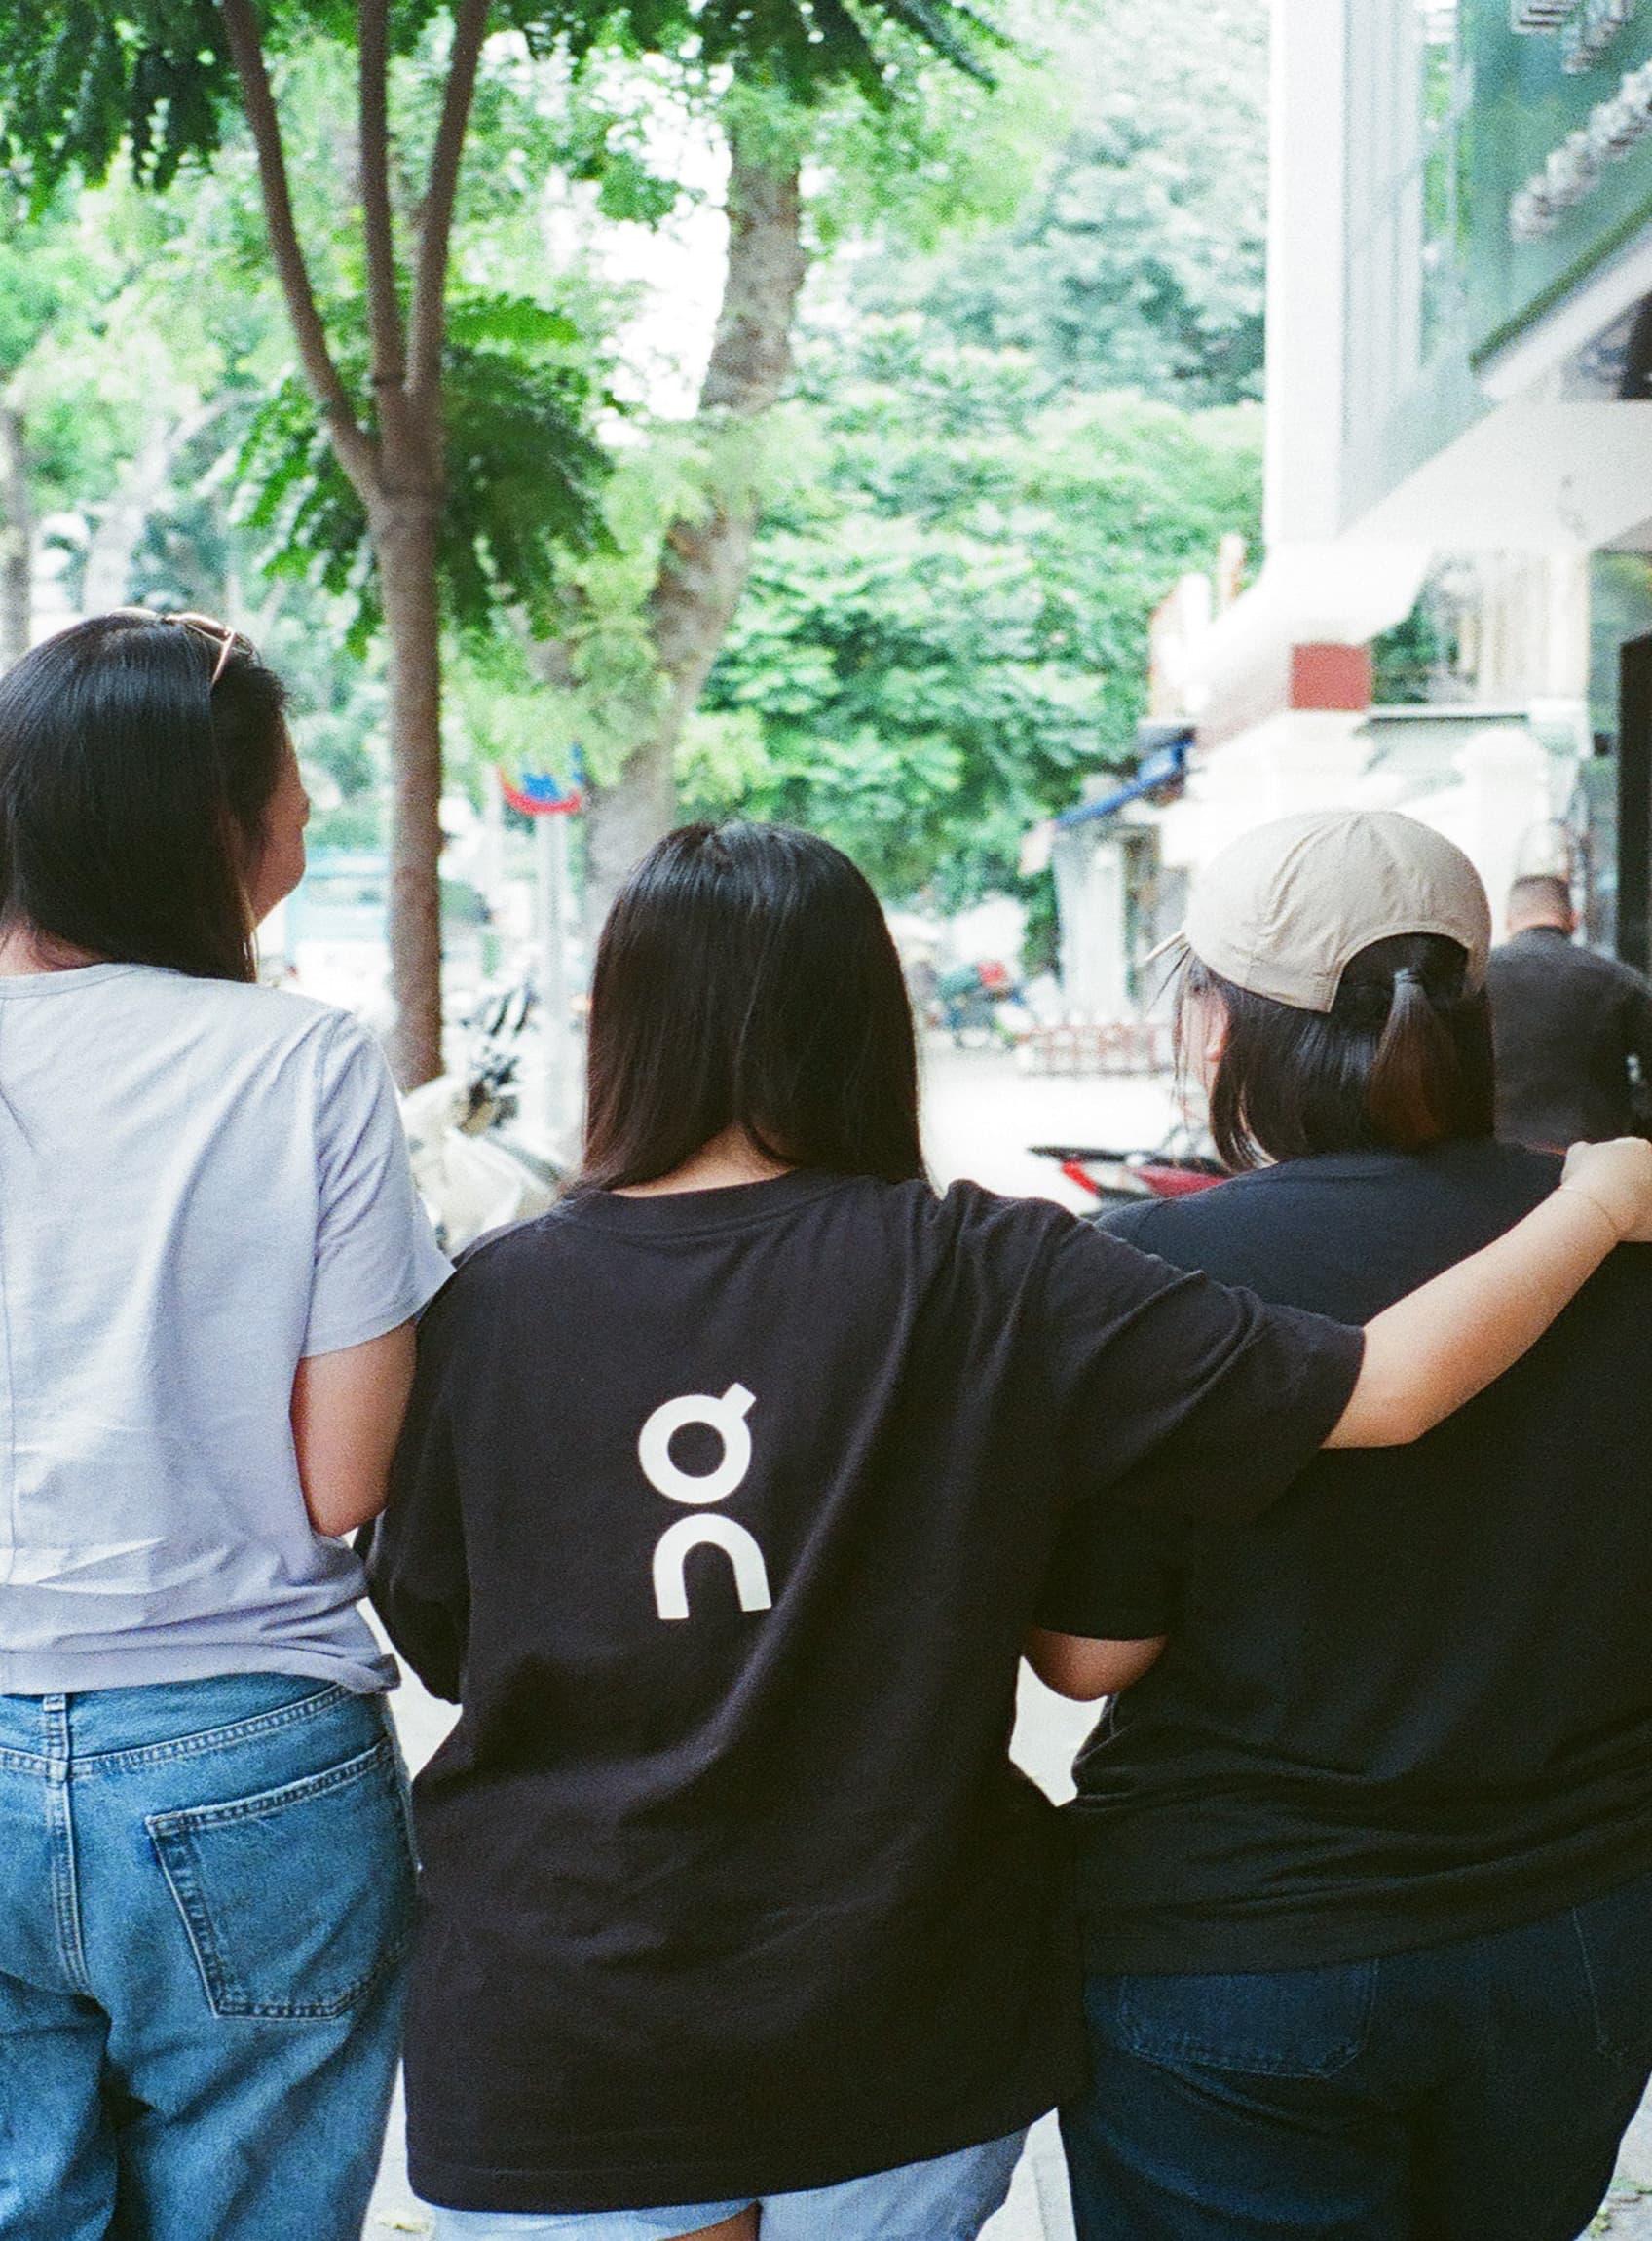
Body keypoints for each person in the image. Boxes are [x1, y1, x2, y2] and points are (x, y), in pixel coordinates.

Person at [366, 819, 1652, 2241]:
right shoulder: (986, 1269)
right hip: (892, 2011)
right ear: (871, 1019)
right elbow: (1383, 1388)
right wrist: (1594, 1199)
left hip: (563, 2031)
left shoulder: (485, 1304)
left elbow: (442, 1630)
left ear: (621, 1027)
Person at [1040, 809, 1652, 2241]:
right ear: (1476, 1012)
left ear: (1225, 1029)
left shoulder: (1160, 1268)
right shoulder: (1620, 1238)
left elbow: (1088, 1657)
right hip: (1577, 1930)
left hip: (1240, 1951)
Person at [0, 613, 450, 2240]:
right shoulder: (305, 1067)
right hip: (241, 1752)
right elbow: (344, 1480)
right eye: (292, 790)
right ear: (207, 827)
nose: (312, 816)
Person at [1485, 870, 1652, 1146]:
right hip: (1589, 1160)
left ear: (1508, 922)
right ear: (1574, 920)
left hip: (1495, 1155)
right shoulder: (1619, 980)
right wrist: (1633, 1130)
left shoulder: (1474, 977)